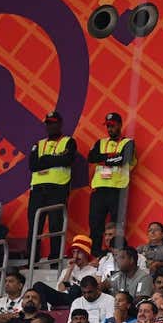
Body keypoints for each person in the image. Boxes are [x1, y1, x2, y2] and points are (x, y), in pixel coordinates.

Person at [27, 111, 76, 259]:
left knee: (56, 225)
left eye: (53, 123)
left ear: (60, 124)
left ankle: (55, 259)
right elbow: (33, 165)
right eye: (48, 123)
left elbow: (66, 160)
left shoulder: (68, 141)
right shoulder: (39, 144)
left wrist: (46, 158)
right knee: (35, 225)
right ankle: (32, 259)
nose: (50, 126)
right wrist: (55, 158)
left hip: (57, 189)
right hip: (37, 190)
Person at [86, 113, 136, 255]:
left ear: (120, 125)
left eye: (112, 125)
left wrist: (105, 159)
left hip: (118, 189)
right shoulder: (100, 142)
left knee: (117, 225)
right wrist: (113, 157)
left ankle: (117, 252)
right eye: (108, 126)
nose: (110, 128)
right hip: (100, 189)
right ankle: (95, 253)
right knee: (95, 224)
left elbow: (123, 159)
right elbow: (91, 157)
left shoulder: (128, 142)